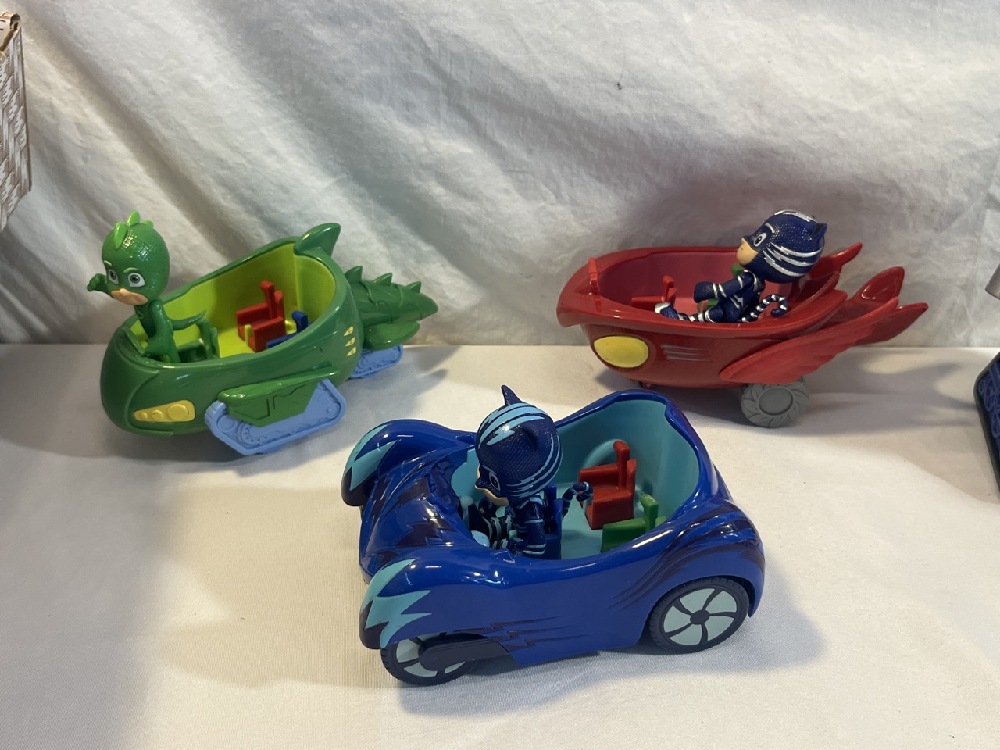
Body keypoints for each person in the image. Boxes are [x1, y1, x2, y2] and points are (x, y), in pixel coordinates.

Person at [466, 386, 590, 558]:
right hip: (514, 522)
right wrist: (488, 507)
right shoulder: (519, 499)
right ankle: (487, 526)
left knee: (493, 544)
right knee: (496, 524)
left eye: (493, 481)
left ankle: (489, 534)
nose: (480, 483)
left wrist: (514, 552)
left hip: (522, 535)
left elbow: (537, 547)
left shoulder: (532, 509)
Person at [656, 210, 826, 323]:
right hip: (736, 311)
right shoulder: (759, 283)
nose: (744, 239)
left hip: (730, 312)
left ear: (777, 258)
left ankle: (676, 319)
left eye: (758, 239)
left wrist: (709, 290)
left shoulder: (748, 279)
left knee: (712, 315)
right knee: (713, 313)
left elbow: (725, 290)